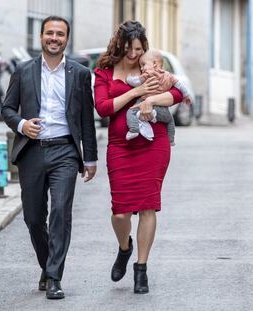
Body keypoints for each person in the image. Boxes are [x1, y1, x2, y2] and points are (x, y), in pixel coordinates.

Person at [1, 15, 97, 300]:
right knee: (33, 217)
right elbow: (7, 109)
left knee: (60, 212)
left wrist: (89, 158)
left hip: (65, 151)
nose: (54, 38)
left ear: (67, 39)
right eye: (50, 33)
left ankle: (54, 277)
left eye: (60, 34)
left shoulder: (79, 74)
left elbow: (86, 120)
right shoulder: (23, 70)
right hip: (31, 151)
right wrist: (22, 125)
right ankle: (47, 265)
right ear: (40, 37)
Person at [94, 20, 183, 294]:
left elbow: (178, 93)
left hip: (153, 145)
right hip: (120, 146)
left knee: (148, 206)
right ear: (118, 44)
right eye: (128, 48)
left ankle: (141, 269)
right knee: (120, 212)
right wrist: (137, 92)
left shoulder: (152, 68)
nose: (133, 54)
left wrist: (152, 100)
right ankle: (124, 247)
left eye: (138, 48)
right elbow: (103, 108)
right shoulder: (104, 72)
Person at [125, 49, 192, 144]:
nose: (141, 68)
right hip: (163, 107)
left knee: (131, 111)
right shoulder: (168, 75)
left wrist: (128, 78)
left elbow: (134, 82)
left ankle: (134, 130)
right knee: (170, 121)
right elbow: (180, 85)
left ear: (155, 64)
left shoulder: (147, 75)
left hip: (145, 103)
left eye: (143, 65)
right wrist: (187, 95)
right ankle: (171, 140)